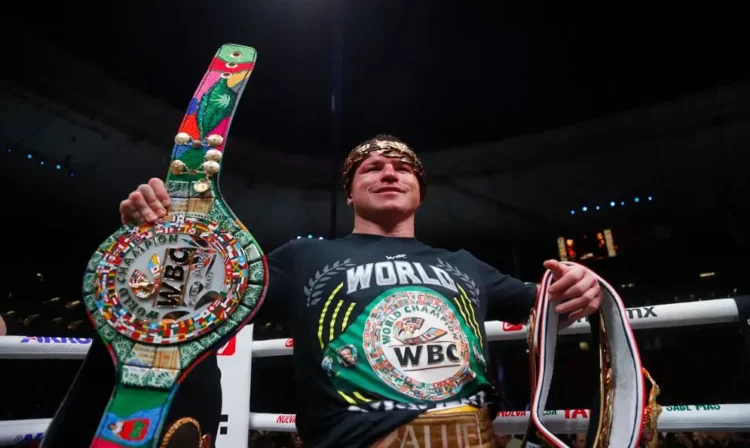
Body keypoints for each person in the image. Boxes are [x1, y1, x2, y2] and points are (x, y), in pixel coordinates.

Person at [47, 134, 603, 447]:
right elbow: (190, 308)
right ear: (351, 193)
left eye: (402, 168)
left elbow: (554, 300)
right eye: (372, 168)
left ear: (419, 191)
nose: (389, 173)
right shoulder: (304, 257)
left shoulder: (464, 265)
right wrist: (157, 239)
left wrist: (582, 281)